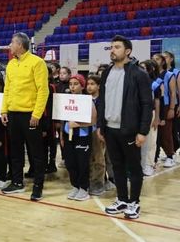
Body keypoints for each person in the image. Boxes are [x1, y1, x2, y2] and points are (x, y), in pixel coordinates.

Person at [98, 35, 152, 220]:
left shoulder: (139, 74)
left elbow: (147, 104)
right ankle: (122, 199)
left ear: (127, 51)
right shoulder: (106, 73)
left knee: (134, 168)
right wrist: (101, 126)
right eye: (111, 47)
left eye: (117, 47)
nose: (112, 50)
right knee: (117, 166)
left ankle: (134, 202)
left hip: (129, 129)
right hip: (110, 129)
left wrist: (143, 131)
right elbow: (102, 102)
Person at [1, 32, 49, 202]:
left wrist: (37, 114)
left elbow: (43, 90)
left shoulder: (37, 62)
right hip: (13, 114)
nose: (9, 45)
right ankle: (17, 181)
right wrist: (4, 110)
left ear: (20, 45)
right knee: (15, 150)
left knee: (36, 152)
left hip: (30, 114)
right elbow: (7, 89)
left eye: (12, 42)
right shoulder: (11, 64)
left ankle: (38, 186)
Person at [62, 74, 97, 202]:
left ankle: (84, 188)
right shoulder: (66, 100)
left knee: (82, 163)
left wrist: (77, 124)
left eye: (75, 84)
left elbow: (93, 121)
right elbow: (62, 119)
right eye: (70, 84)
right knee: (70, 163)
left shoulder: (88, 101)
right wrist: (61, 135)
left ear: (82, 86)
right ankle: (75, 186)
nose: (72, 86)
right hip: (68, 136)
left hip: (83, 136)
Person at [139, 60, 161, 177]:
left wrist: (157, 117)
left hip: (150, 113)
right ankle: (140, 165)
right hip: (137, 113)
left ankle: (148, 164)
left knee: (151, 140)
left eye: (143, 68)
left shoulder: (154, 84)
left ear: (149, 70)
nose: (140, 70)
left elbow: (157, 102)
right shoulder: (135, 83)